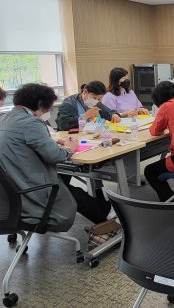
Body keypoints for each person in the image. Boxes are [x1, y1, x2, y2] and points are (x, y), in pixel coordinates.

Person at [0, 84, 113, 230]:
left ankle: (105, 211)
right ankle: (107, 214)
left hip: (10, 194)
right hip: (31, 193)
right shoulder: (31, 122)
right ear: (41, 105)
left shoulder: (5, 119)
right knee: (66, 188)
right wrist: (69, 148)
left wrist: (51, 141)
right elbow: (55, 156)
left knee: (63, 179)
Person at [56, 81, 121, 131]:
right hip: (72, 138)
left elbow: (109, 112)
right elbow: (63, 125)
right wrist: (85, 116)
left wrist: (114, 115)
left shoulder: (96, 102)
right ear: (84, 92)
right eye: (94, 98)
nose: (96, 101)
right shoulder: (68, 104)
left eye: (99, 98)